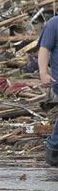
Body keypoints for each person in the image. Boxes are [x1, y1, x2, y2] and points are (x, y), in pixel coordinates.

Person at [38, 15, 58, 166]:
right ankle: (52, 147)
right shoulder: (54, 23)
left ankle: (53, 148)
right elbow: (44, 49)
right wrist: (43, 73)